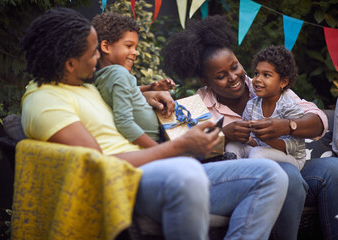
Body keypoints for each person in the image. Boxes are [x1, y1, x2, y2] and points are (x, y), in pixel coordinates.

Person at [20, 7, 289, 240]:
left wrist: (148, 94)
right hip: (126, 182)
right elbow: (98, 167)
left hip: (156, 169)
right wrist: (179, 147)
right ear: (69, 63)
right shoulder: (46, 101)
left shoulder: (83, 87)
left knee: (271, 175)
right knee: (187, 172)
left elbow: (121, 97)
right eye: (92, 54)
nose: (97, 60)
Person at [162, 14, 338, 240]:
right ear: (206, 81)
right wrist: (224, 134)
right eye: (221, 76)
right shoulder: (197, 106)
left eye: (235, 66)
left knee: (333, 168)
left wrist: (286, 126)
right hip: (253, 178)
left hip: (289, 160)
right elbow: (184, 153)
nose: (234, 77)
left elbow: (317, 119)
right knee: (287, 175)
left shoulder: (264, 83)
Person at [91, 12, 175, 148]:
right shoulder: (118, 73)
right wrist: (159, 150)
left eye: (135, 48)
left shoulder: (105, 75)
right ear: (106, 47)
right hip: (151, 145)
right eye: (129, 46)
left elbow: (125, 91)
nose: (135, 52)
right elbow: (124, 122)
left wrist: (150, 88)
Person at [226, 45, 306, 170]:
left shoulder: (289, 107)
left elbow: (294, 147)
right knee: (232, 147)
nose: (257, 79)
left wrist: (267, 139)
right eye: (257, 73)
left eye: (266, 75)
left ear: (283, 82)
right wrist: (246, 136)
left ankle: (252, 180)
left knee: (257, 153)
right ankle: (237, 176)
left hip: (291, 157)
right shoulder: (252, 105)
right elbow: (254, 141)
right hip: (260, 150)